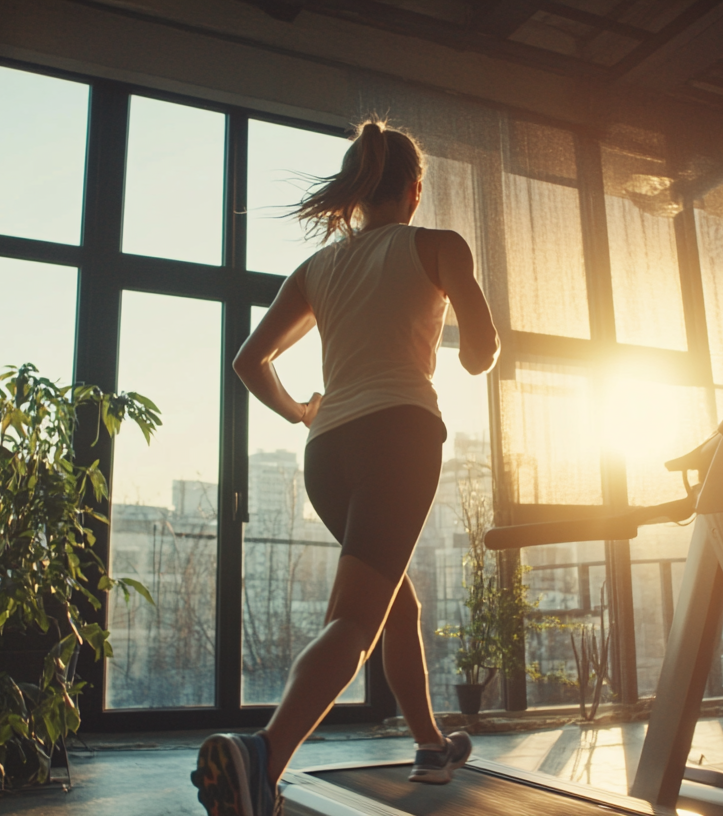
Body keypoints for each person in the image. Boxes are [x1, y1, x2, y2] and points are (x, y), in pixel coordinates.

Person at [191, 119, 500, 816]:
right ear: (414, 190)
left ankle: (428, 744)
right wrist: (475, 333)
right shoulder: (439, 245)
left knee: (397, 605)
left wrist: (301, 411)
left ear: (357, 191)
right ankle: (261, 756)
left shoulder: (318, 268)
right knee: (355, 622)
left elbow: (248, 362)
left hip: (326, 452)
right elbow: (480, 353)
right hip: (399, 437)